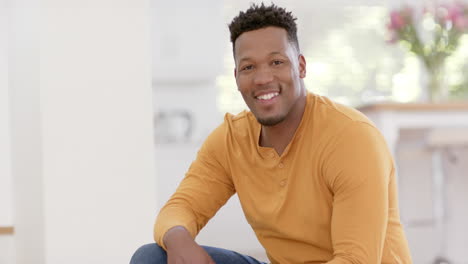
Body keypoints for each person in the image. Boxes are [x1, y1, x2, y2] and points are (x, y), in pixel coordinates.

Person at [131, 3, 412, 264]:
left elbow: (355, 260)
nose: (263, 78)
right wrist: (179, 239)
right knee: (152, 257)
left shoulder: (352, 138)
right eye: (249, 67)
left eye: (277, 62)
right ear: (237, 77)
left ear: (300, 66)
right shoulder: (231, 140)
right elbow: (180, 208)